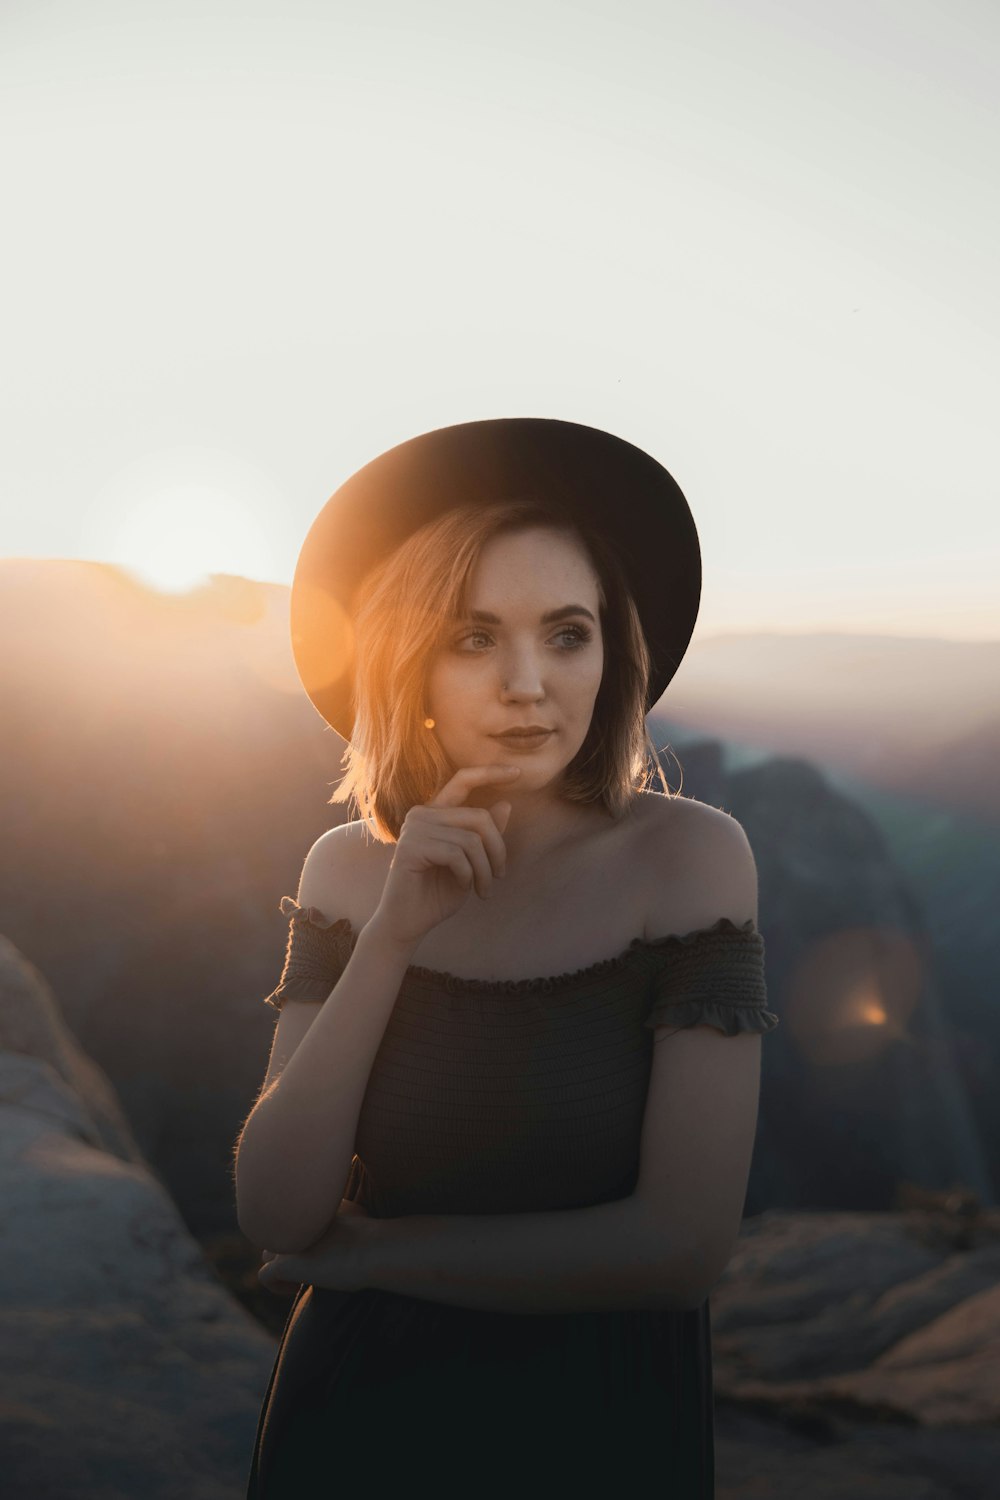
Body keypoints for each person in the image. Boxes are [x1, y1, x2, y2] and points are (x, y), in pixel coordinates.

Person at [236, 418, 779, 1498]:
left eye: (566, 633)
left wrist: (372, 1258)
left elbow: (680, 1248)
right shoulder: (349, 870)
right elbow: (275, 1212)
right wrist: (392, 937)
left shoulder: (689, 860)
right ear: (408, 661)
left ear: (611, 649)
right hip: (356, 1420)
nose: (528, 682)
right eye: (473, 637)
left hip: (601, 1429)